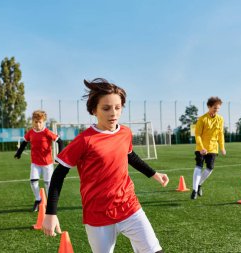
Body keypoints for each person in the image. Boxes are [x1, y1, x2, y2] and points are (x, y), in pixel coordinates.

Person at [42, 78, 169, 253]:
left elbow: (130, 155)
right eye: (106, 108)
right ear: (94, 110)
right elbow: (58, 174)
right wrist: (50, 213)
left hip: (129, 207)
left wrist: (154, 174)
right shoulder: (84, 140)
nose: (113, 113)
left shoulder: (125, 132)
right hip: (98, 215)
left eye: (118, 107)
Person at [14, 110, 64, 211]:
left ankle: (50, 204)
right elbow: (24, 143)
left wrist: (60, 154)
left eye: (40, 122)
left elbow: (60, 141)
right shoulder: (31, 132)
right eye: (36, 122)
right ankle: (38, 199)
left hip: (47, 163)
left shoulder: (47, 132)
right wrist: (18, 153)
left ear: (44, 122)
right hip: (35, 163)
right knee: (33, 181)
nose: (38, 124)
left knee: (47, 183)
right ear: (32, 122)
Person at [191, 96, 226, 200]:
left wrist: (222, 147)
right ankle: (194, 190)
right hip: (200, 148)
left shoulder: (220, 119)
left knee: (210, 168)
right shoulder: (202, 119)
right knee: (198, 166)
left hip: (213, 148)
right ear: (209, 107)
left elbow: (221, 134)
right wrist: (201, 147)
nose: (217, 110)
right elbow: (197, 135)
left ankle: (199, 184)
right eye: (215, 108)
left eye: (218, 108)